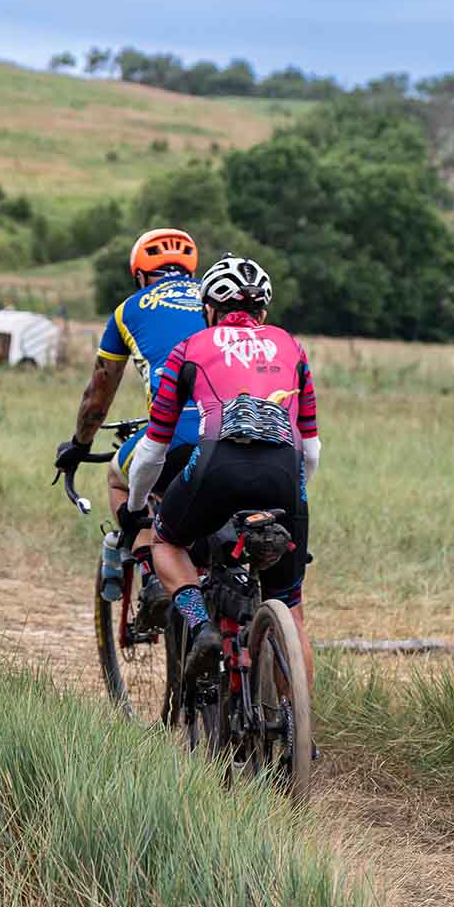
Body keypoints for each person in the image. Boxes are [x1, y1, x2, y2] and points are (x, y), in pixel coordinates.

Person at [125, 255, 318, 684]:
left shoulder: (189, 349)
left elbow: (154, 448)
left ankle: (201, 626)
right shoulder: (291, 346)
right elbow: (313, 450)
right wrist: (294, 501)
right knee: (292, 607)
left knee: (167, 541)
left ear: (207, 310)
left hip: (215, 464)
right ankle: (298, 728)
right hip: (286, 475)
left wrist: (137, 505)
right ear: (263, 311)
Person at [53, 228, 206, 566]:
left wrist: (80, 444)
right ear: (192, 272)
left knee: (117, 477)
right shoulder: (220, 303)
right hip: (237, 429)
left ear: (139, 275)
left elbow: (99, 392)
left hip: (176, 434)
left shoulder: (128, 311)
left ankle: (148, 562)